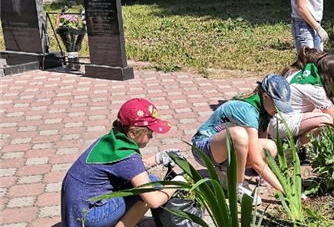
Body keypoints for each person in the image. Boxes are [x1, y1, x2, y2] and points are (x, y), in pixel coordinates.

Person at [61, 98, 184, 227]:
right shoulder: (128, 157)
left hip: (76, 212)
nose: (152, 136)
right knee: (154, 185)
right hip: (89, 216)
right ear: (132, 133)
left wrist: (157, 158)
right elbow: (154, 201)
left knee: (147, 181)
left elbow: (127, 169)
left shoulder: (112, 140)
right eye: (149, 132)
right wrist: (177, 183)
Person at [191, 74, 294, 205]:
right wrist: (285, 191)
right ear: (265, 97)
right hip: (203, 149)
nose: (279, 111)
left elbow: (259, 151)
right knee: (239, 135)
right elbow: (256, 161)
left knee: (270, 147)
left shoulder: (264, 111)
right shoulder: (247, 110)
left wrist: (263, 175)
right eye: (277, 105)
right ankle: (237, 185)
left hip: (222, 152)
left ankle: (225, 173)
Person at [269, 47, 334, 147]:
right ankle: (298, 149)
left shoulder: (298, 75)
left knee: (319, 112)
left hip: (274, 120)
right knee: (327, 119)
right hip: (281, 125)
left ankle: (294, 141)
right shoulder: (314, 88)